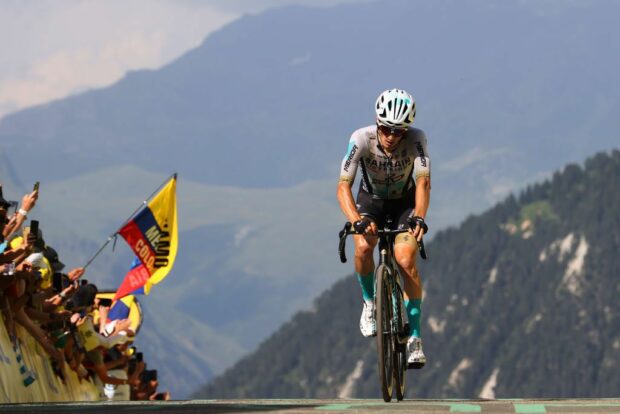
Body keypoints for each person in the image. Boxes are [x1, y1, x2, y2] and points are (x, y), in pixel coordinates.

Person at [336, 88, 431, 368]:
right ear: (377, 124)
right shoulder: (360, 139)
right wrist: (356, 219)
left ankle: (414, 337)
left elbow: (423, 182)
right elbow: (343, 186)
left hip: (404, 203)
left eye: (399, 131)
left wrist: (420, 217)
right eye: (386, 129)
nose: (391, 137)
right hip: (370, 201)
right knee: (364, 245)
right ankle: (369, 301)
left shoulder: (417, 139)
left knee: (405, 260)